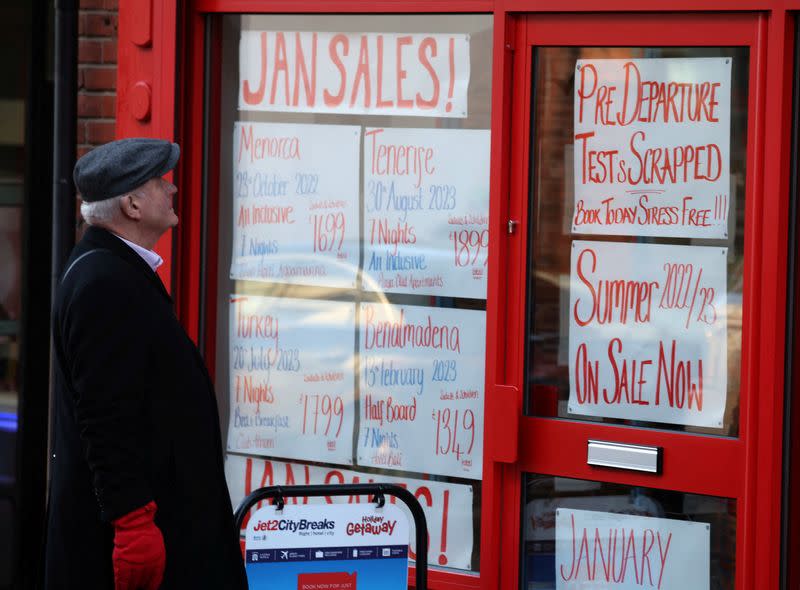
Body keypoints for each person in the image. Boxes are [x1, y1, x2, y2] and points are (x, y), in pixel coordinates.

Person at [46, 138, 248, 589]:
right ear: (133, 204)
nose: (172, 190)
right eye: (161, 181)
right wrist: (133, 527)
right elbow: (104, 417)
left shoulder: (113, 270)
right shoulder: (104, 281)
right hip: (141, 542)